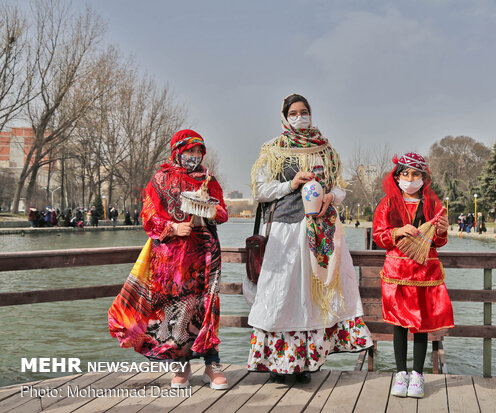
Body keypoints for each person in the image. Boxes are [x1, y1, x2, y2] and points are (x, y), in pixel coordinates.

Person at [247, 94, 372, 383]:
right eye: (294, 112)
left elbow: (340, 189)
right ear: (284, 116)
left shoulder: (326, 150)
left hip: (321, 234)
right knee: (284, 295)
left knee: (313, 298)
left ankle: (305, 362)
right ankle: (280, 363)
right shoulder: (274, 150)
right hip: (285, 232)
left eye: (304, 111)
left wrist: (330, 196)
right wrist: (290, 184)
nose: (300, 116)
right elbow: (260, 190)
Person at [108, 129, 229, 390]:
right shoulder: (160, 181)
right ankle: (181, 367)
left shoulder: (208, 180)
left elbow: (222, 214)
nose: (194, 156)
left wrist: (209, 207)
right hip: (172, 261)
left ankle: (212, 364)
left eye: (199, 151)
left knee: (206, 308)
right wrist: (174, 228)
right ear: (177, 151)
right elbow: (148, 218)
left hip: (206, 256)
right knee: (176, 311)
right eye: (189, 151)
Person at [372, 152, 452, 398]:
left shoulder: (432, 204)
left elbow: (438, 242)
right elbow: (379, 236)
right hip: (397, 272)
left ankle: (417, 375)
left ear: (423, 177)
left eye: (415, 174)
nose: (410, 178)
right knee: (399, 325)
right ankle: (400, 373)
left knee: (421, 325)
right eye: (405, 173)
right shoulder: (387, 203)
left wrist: (442, 231)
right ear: (397, 177)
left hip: (425, 272)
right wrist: (397, 232)